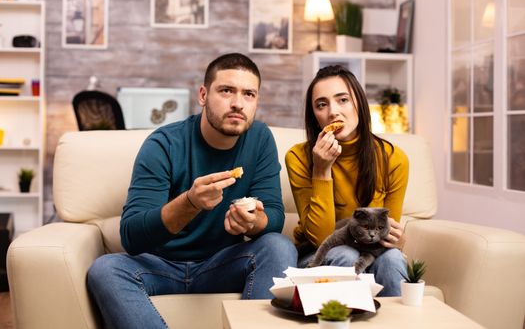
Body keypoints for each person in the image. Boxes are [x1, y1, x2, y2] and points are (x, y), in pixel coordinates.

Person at [87, 53, 297, 329]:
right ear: (203, 95)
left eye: (249, 94)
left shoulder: (260, 139)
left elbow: (274, 215)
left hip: (223, 264)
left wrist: (253, 221)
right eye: (226, 91)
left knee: (279, 246)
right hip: (160, 266)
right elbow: (131, 237)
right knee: (105, 270)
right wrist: (190, 202)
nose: (237, 103)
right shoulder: (164, 144)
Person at [285, 64, 409, 296]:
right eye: (321, 104)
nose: (333, 112)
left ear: (359, 104)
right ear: (315, 116)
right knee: (345, 254)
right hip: (317, 255)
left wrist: (396, 240)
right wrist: (322, 170)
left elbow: (383, 238)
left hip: (370, 253)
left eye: (343, 100)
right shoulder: (299, 157)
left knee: (392, 259)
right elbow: (321, 239)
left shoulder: (393, 158)